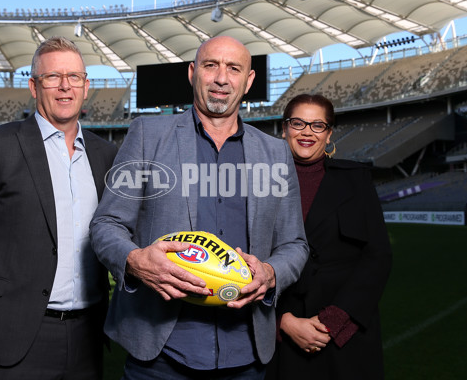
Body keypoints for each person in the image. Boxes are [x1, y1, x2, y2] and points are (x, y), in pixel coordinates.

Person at [90, 35, 309, 379]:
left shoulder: (275, 153)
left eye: (234, 68)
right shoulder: (147, 134)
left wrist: (271, 273)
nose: (222, 78)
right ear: (193, 73)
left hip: (246, 356)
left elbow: (295, 244)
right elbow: (106, 224)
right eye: (211, 65)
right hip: (160, 355)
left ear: (248, 81)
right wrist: (135, 262)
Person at [0, 36, 118, 380]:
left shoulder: (105, 155)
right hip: (15, 334)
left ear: (86, 87)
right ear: (34, 87)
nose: (65, 87)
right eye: (52, 77)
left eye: (74, 78)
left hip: (88, 336)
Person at [266, 94, 392, 380]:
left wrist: (332, 322)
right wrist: (282, 323)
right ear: (284, 128)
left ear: (329, 133)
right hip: (282, 337)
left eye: (318, 125)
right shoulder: (260, 184)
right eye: (298, 123)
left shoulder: (356, 180)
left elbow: (378, 256)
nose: (307, 131)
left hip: (344, 336)